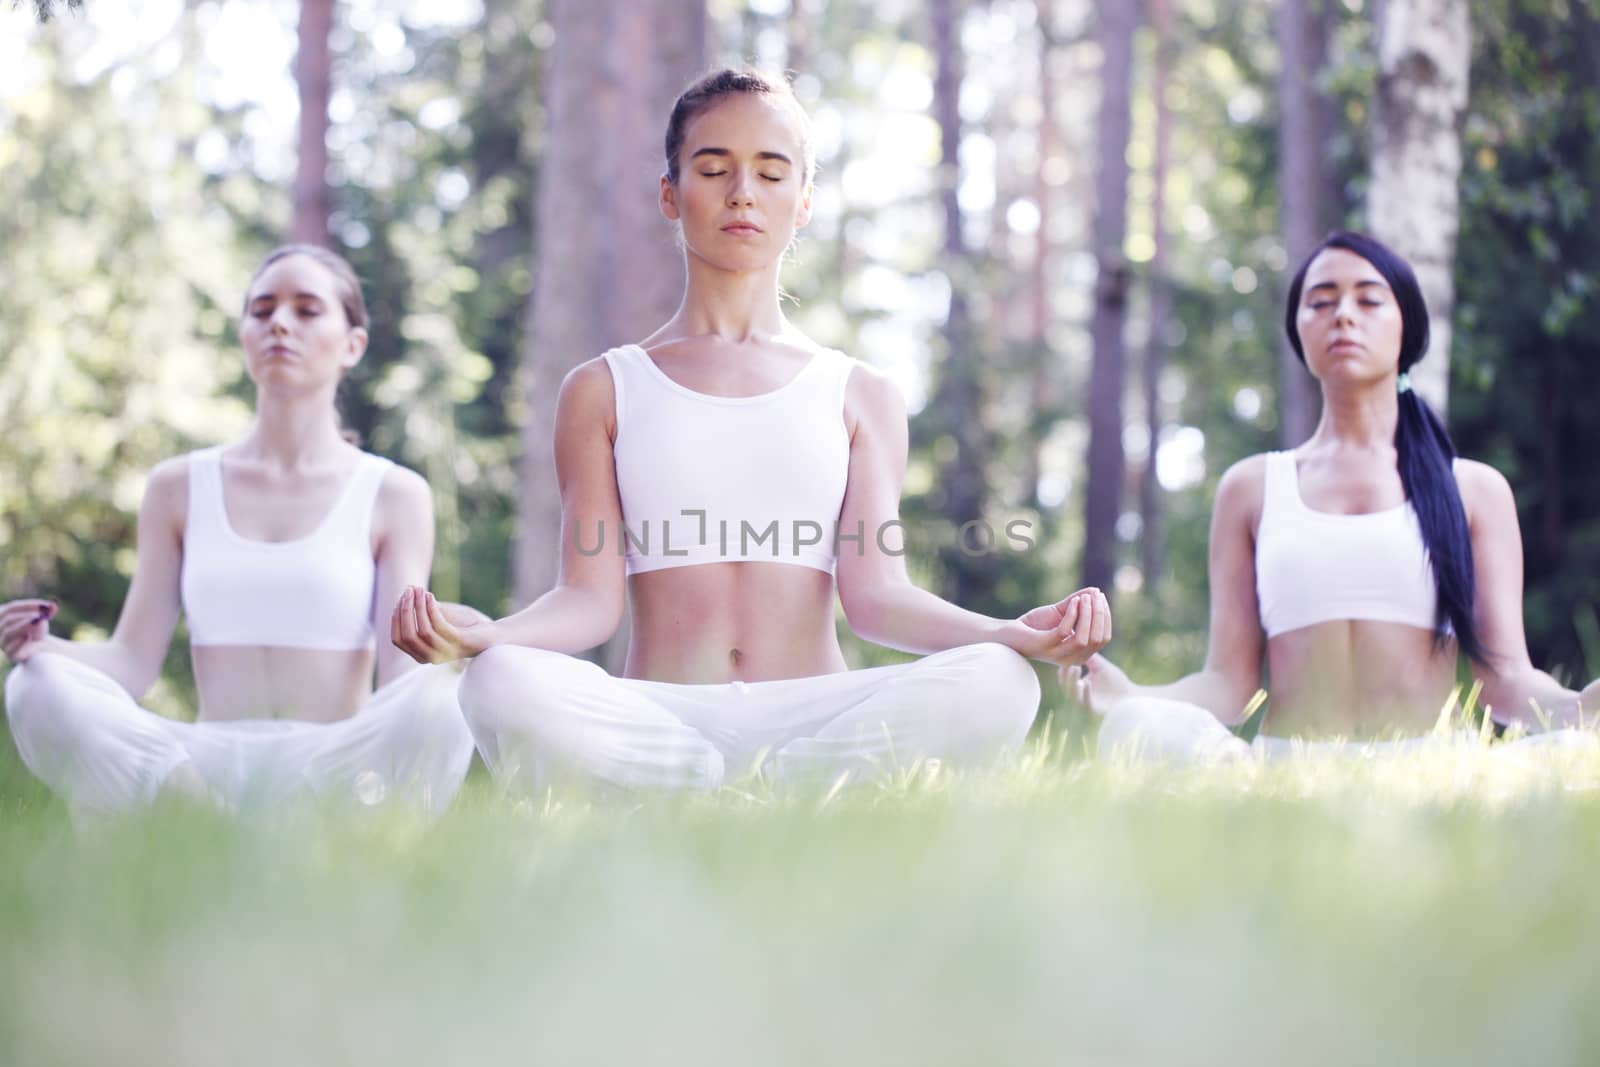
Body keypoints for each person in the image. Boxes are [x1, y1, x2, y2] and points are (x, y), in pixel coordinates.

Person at [390, 69, 1110, 793]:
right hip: (660, 713)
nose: (742, 192)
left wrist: (1006, 632)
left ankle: (765, 788)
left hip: (817, 714)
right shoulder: (603, 388)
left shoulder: (860, 393)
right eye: (713, 169)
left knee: (999, 679)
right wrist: (492, 636)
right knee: (498, 679)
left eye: (770, 173)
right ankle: (726, 788)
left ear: (802, 203)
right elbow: (590, 600)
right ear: (671, 193)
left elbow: (877, 596)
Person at [1072, 230, 1600, 762]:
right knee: (1135, 727)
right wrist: (1133, 696)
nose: (1344, 315)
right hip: (1286, 769)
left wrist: (1581, 709)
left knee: (1580, 753)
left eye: (1369, 299)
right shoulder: (1252, 487)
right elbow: (1228, 685)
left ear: (1407, 326)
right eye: (1321, 302)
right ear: (1299, 330)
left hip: (1436, 769)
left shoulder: (1473, 489)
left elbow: (1505, 680)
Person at [1, 245, 475, 818]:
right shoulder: (177, 486)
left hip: (336, 770)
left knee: (440, 694)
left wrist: (455, 648)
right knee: (35, 685)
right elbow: (131, 660)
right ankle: (202, 821)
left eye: (306, 309)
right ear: (244, 335)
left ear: (353, 345)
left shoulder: (395, 494)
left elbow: (404, 675)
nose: (278, 322)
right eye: (261, 309)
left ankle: (316, 830)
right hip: (198, 771)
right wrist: (43, 649)